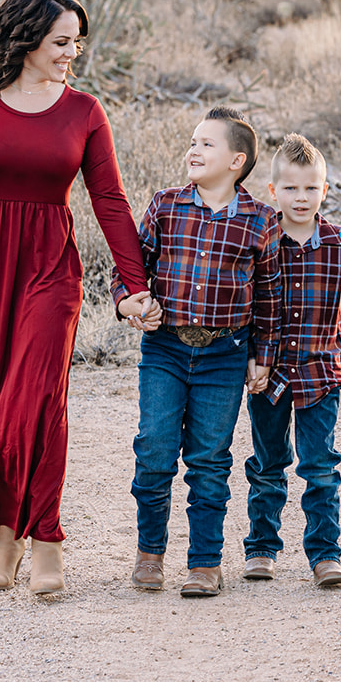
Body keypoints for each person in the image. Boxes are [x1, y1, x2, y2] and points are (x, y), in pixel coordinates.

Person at [0, 0, 158, 595]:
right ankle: (6, 531)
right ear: (25, 39)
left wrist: (134, 284)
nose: (71, 52)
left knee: (33, 401)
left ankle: (41, 535)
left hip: (50, 268)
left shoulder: (84, 112)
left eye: (77, 41)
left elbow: (109, 201)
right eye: (60, 41)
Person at [113, 106, 281, 598]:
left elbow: (269, 294)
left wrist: (262, 354)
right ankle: (149, 554)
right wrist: (128, 302)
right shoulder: (165, 206)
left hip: (224, 353)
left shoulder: (260, 220)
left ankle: (205, 562)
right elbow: (131, 267)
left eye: (208, 144)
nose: (194, 149)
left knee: (209, 459)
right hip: (165, 348)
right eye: (193, 141)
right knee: (155, 450)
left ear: (237, 160)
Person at [240, 134, 341, 589]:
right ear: (273, 191)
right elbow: (244, 301)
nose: (300, 198)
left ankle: (325, 555)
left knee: (319, 466)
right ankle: (262, 549)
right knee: (267, 464)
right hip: (269, 373)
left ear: (324, 191)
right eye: (291, 189)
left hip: (320, 372)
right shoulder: (261, 238)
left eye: (310, 189)